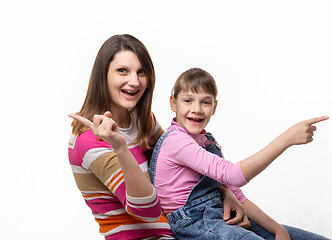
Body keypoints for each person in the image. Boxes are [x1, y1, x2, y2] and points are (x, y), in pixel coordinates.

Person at [68, 35, 249, 240]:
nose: (134, 81)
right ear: (103, 75)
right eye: (122, 71)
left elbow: (183, 171)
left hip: (189, 230)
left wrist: (226, 194)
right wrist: (120, 148)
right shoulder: (88, 139)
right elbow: (147, 211)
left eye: (141, 72)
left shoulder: (144, 121)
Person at [149, 67, 330, 240]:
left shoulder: (208, 141)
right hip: (193, 223)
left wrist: (277, 229)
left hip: (220, 215)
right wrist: (286, 139)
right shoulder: (175, 141)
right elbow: (233, 175)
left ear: (214, 107)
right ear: (173, 103)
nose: (197, 109)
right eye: (188, 101)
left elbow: (237, 194)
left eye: (205, 102)